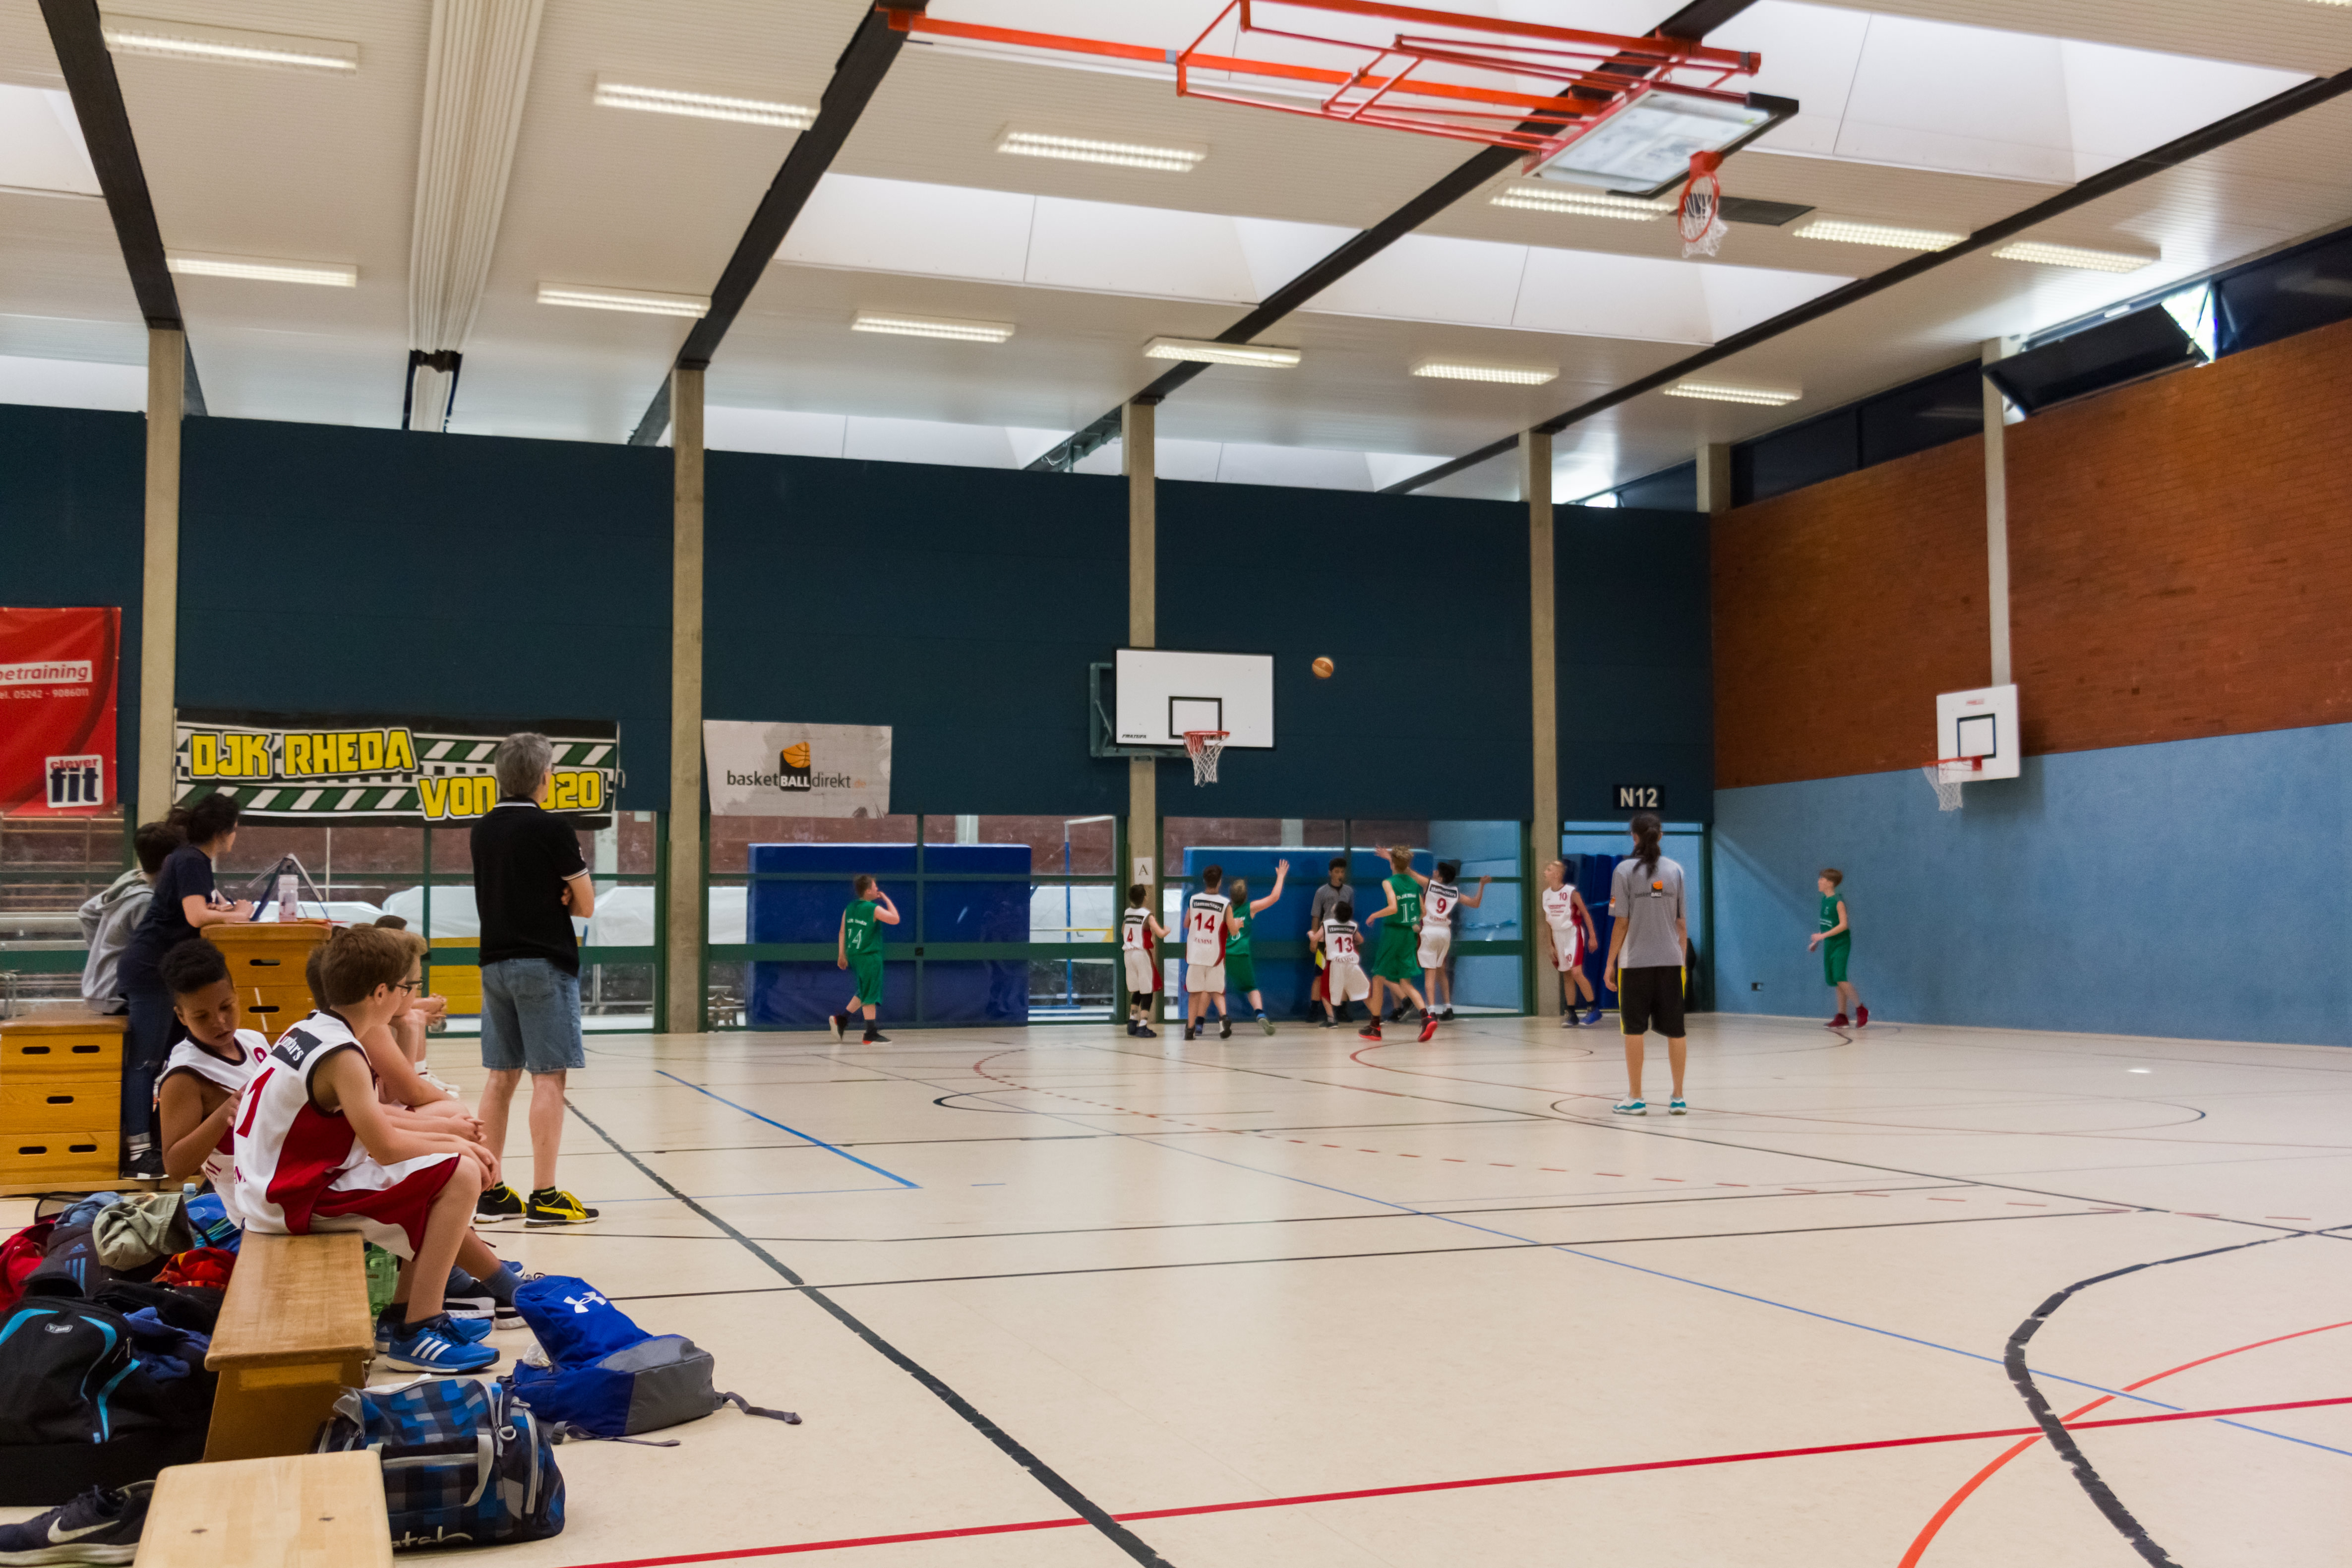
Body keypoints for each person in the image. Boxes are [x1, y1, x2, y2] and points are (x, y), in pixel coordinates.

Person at [235, 926, 510, 1372]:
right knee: (458, 1175)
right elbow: (385, 1147)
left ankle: (402, 1316)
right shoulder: (343, 1054)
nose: (408, 995)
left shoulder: (310, 1029)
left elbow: (371, 1127)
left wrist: (450, 1140)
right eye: (406, 987)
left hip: (278, 1185)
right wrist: (458, 1146)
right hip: (292, 1197)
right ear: (381, 993)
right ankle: (418, 1330)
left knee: (443, 1170)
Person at [469, 733, 598, 1228]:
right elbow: (585, 904)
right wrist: (561, 896)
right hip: (543, 963)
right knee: (549, 1076)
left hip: (494, 963)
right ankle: (545, 1195)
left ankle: (490, 1190)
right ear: (545, 776)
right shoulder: (552, 828)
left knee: (500, 1076)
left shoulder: (483, 831)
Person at [118, 795, 252, 1178]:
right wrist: (241, 914)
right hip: (151, 970)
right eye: (234, 830)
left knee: (166, 1060)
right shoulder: (192, 859)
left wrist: (223, 911)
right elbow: (195, 915)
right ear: (223, 832)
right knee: (145, 1062)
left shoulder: (190, 859)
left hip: (166, 970)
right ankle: (139, 1153)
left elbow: (194, 910)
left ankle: (166, 1142)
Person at [152, 938, 267, 1214]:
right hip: (252, 1208)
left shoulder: (254, 1041)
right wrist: (225, 1112)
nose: (219, 1021)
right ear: (182, 1016)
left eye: (226, 1006)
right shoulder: (183, 1077)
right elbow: (176, 1167)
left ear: (236, 993)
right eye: (202, 1016)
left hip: (284, 1178)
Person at [1603, 812, 1689, 1116]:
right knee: (1677, 1031)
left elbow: (1621, 923)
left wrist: (1610, 964)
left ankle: (1636, 1098)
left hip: (1635, 964)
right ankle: (1678, 1098)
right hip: (1671, 963)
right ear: (1660, 836)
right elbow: (1681, 924)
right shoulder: (1676, 870)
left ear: (1634, 837)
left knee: (1634, 1031)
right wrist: (1682, 962)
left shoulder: (1624, 870)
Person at [78, 820, 181, 1015]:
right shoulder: (146, 902)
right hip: (116, 995)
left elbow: (87, 912)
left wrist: (102, 956)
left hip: (98, 987)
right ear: (169, 862)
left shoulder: (131, 880)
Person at [1359, 848, 1435, 1043]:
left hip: (1393, 933)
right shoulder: (1414, 884)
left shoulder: (1389, 882)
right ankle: (1426, 1017)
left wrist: (1374, 915)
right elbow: (1424, 911)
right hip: (1409, 935)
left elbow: (1393, 907)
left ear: (1393, 863)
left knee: (1378, 977)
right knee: (1405, 982)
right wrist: (1413, 921)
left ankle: (1375, 1026)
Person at [1407, 858, 1486, 1021]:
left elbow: (1409, 872)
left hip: (1430, 931)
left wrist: (1392, 858)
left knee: (1430, 973)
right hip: (1445, 933)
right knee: (1441, 970)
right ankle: (1448, 1008)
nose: (1434, 872)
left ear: (1441, 877)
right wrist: (1482, 885)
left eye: (1437, 871)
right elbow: (1475, 903)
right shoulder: (1454, 892)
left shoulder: (1430, 885)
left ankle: (1432, 1012)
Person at [830, 875, 901, 1043]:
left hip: (854, 954)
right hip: (869, 956)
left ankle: (842, 1020)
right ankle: (870, 1033)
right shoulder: (873, 909)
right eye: (875, 887)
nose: (877, 889)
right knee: (870, 993)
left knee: (864, 990)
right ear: (868, 891)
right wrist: (886, 899)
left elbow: (842, 931)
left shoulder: (850, 908)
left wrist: (841, 955)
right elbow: (895, 919)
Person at [1222, 860, 1288, 1035]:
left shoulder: (1224, 909)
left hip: (1224, 956)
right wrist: (1281, 876)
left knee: (1217, 989)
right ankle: (1260, 1014)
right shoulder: (1250, 908)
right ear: (1246, 896)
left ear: (1231, 896)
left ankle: (1210, 1020)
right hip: (1242, 954)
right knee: (1252, 988)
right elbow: (1274, 897)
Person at [1539, 859, 1602, 1028]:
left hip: (1573, 934)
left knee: (1576, 972)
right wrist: (1549, 944)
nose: (1545, 872)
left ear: (1557, 874)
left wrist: (1593, 936)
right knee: (1567, 974)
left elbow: (1586, 914)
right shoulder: (1546, 895)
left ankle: (1593, 1008)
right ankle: (1572, 1013)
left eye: (1548, 869)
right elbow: (1547, 921)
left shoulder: (1571, 892)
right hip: (1557, 936)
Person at [1809, 868, 1868, 1027]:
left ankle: (1861, 1009)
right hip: (1830, 943)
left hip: (1841, 943)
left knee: (1840, 976)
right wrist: (1817, 941)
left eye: (1822, 879)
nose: (1819, 882)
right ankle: (1842, 1017)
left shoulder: (1838, 901)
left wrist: (1822, 937)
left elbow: (1843, 925)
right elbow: (1828, 925)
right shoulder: (1824, 900)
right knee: (1835, 980)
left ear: (1830, 883)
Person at [1183, 866, 1234, 1041]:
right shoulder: (1225, 903)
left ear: (1204, 881)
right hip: (1215, 955)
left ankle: (1190, 1030)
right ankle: (1224, 1017)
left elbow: (1186, 923)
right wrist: (1237, 925)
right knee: (1216, 990)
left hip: (1196, 954)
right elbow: (1233, 930)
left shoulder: (1194, 900)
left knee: (1195, 993)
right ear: (1220, 882)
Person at [1305, 856, 1351, 1019]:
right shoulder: (1322, 892)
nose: (1340, 875)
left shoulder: (1349, 892)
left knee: (1343, 974)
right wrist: (1314, 939)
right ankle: (1314, 1009)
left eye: (1342, 872)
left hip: (1342, 941)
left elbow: (1350, 917)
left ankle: (1342, 1010)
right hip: (1324, 941)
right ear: (1330, 873)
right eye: (1337, 872)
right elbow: (1316, 916)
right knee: (1320, 973)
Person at [1313, 900, 1370, 1027]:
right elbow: (1361, 940)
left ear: (1336, 912)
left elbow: (1316, 939)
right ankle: (1376, 1015)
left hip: (1333, 962)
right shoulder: (1353, 926)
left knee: (1325, 991)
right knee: (1362, 990)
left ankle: (1331, 1019)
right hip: (1350, 962)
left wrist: (1311, 933)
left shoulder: (1327, 924)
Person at [1120, 882, 1164, 1039]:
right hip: (1141, 953)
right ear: (1145, 898)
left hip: (1128, 954)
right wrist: (1166, 930)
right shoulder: (1147, 915)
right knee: (1147, 991)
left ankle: (1132, 1022)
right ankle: (1143, 1025)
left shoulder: (1127, 913)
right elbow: (1160, 933)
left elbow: (1123, 931)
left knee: (1137, 989)